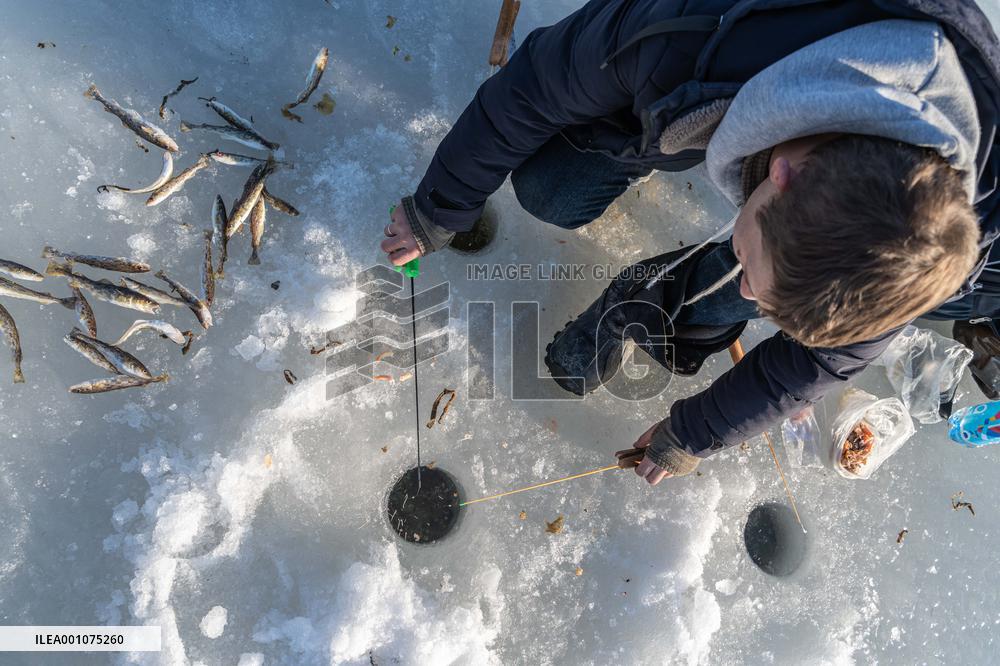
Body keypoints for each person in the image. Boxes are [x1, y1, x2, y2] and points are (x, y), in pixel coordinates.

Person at [380, 0, 1000, 483]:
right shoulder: (679, 35)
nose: (754, 299)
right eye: (757, 277)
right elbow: (533, 87)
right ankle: (658, 163)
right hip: (701, 79)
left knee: (754, 279)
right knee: (552, 193)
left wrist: (695, 433)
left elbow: (825, 359)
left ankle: (650, 304)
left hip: (783, 137)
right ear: (781, 175)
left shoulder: (918, 246)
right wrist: (440, 208)